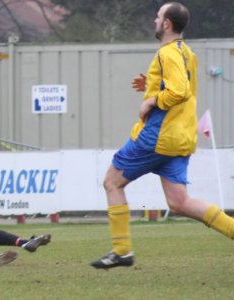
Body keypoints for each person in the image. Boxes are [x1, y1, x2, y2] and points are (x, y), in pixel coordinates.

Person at [91, 2, 234, 270]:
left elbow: (179, 92)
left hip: (157, 137)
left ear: (167, 23)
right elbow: (182, 86)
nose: (154, 20)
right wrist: (153, 84)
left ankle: (121, 251)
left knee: (112, 182)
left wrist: (151, 99)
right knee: (180, 202)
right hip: (180, 138)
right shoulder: (187, 52)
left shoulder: (167, 53)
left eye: (158, 16)